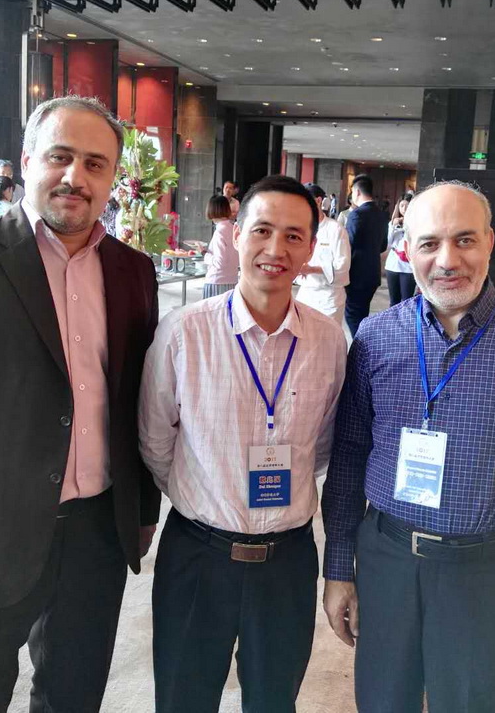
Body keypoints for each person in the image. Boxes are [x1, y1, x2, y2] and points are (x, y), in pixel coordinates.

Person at [322, 181, 495, 713]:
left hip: (488, 573)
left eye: (464, 240)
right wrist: (338, 568)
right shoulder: (377, 336)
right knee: (381, 702)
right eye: (429, 244)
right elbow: (350, 455)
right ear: (407, 250)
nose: (447, 260)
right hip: (387, 561)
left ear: (489, 241)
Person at [0, 96, 160, 713]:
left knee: (73, 696)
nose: (76, 176)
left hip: (96, 531)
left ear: (112, 177)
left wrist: (141, 509)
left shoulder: (133, 271)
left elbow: (136, 397)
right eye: (60, 157)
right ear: (26, 161)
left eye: (95, 164)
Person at [139, 174, 347, 713]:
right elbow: (156, 440)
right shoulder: (184, 332)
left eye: (294, 236)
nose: (276, 249)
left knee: (275, 701)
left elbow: (323, 444)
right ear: (236, 235)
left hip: (288, 561)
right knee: (183, 699)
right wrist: (207, 491)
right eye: (262, 230)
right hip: (198, 555)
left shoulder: (328, 341)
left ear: (311, 248)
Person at [296, 183, 351, 324]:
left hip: (329, 297)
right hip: (305, 293)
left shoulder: (335, 229)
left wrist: (312, 269)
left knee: (327, 335)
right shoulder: (301, 229)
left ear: (318, 201)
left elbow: (343, 266)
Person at [344, 174, 387, 337]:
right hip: (373, 274)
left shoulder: (356, 214)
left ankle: (360, 347)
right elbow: (383, 246)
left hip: (356, 275)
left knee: (352, 315)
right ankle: (364, 343)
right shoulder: (381, 214)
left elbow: (348, 246)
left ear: (357, 192)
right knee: (362, 314)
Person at [203, 193, 239, 298]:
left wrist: (204, 253)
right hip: (232, 281)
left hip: (216, 282)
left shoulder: (220, 232)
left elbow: (219, 262)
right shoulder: (233, 229)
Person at [385, 194, 416, 305]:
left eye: (407, 206)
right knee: (394, 301)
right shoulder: (393, 222)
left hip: (408, 267)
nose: (404, 209)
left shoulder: (417, 223)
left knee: (407, 301)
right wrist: (393, 227)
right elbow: (388, 243)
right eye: (402, 205)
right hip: (393, 264)